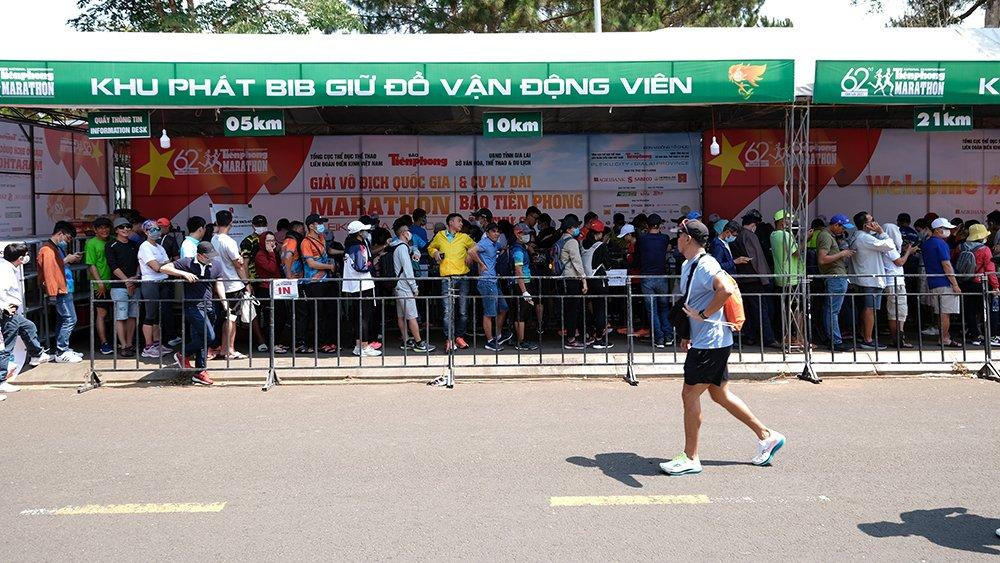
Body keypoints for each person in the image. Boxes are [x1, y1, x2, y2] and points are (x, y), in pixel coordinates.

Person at [659, 219, 785, 476]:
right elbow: (691, 300)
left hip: (711, 344)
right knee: (720, 395)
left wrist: (704, 315)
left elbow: (725, 289)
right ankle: (766, 436)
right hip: (710, 341)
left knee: (689, 395)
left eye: (679, 235)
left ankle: (691, 457)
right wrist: (687, 332)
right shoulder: (688, 264)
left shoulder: (706, 264)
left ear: (688, 239)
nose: (676, 239)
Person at [160, 241, 225, 386]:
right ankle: (183, 354)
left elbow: (219, 283)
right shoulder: (187, 262)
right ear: (199, 255)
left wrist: (224, 301)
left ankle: (200, 372)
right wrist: (184, 273)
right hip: (193, 305)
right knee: (209, 336)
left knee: (202, 338)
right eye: (207, 257)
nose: (211, 259)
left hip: (209, 305)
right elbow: (163, 268)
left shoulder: (216, 264)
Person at [0, 243, 51, 394]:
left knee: (29, 327)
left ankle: (36, 354)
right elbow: (1, 291)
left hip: (13, 313)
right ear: (20, 258)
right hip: (8, 313)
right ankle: (1, 381)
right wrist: (4, 307)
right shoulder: (5, 271)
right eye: (26, 255)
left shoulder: (8, 268)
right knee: (7, 347)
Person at [428, 213, 476, 351]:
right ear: (451, 222)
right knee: (447, 311)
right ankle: (449, 339)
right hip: (447, 277)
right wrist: (435, 253)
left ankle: (459, 337)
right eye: (459, 221)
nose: (461, 224)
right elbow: (431, 248)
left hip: (463, 277)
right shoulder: (440, 235)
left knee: (463, 311)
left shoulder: (464, 237)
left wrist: (470, 254)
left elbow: (476, 246)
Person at [37, 221, 84, 363]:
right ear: (60, 233)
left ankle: (62, 349)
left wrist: (68, 259)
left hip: (63, 288)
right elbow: (49, 272)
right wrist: (52, 294)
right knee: (70, 319)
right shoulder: (48, 249)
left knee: (63, 319)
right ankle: (62, 351)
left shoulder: (54, 248)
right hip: (59, 290)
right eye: (68, 238)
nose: (68, 241)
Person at [850, 211, 896, 350]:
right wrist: (881, 232)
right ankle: (868, 339)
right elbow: (890, 246)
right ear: (866, 225)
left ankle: (864, 335)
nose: (875, 222)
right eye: (872, 220)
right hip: (871, 279)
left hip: (864, 278)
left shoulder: (856, 236)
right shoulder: (865, 238)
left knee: (866, 308)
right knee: (870, 309)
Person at [730, 213, 777, 349]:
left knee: (749, 311)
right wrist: (765, 278)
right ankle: (768, 339)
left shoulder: (739, 236)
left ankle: (750, 336)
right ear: (753, 225)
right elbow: (757, 259)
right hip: (755, 279)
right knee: (761, 310)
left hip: (743, 279)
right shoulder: (750, 236)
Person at [212, 209, 250, 360]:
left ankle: (224, 348)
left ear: (216, 222)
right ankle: (230, 350)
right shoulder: (229, 242)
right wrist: (246, 283)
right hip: (233, 284)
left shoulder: (214, 239)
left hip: (219, 284)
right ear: (231, 223)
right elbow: (238, 266)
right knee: (231, 318)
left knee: (227, 317)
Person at [390, 222, 434, 353]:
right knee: (412, 316)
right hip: (405, 286)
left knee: (401, 315)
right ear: (404, 234)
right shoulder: (402, 248)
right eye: (408, 231)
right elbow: (408, 270)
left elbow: (412, 250)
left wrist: (415, 251)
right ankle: (419, 343)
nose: (410, 234)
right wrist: (414, 287)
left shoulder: (396, 246)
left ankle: (406, 340)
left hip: (397, 285)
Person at [816, 214, 856, 351]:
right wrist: (842, 254)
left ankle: (833, 339)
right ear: (836, 225)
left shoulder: (827, 236)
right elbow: (822, 259)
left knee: (831, 310)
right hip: (835, 277)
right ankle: (835, 341)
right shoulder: (826, 236)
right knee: (833, 311)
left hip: (835, 277)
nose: (843, 231)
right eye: (842, 228)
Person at [300, 214, 338, 354]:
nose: (322, 225)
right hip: (313, 283)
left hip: (326, 281)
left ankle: (328, 342)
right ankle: (318, 343)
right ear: (311, 226)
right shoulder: (305, 242)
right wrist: (329, 267)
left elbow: (328, 252)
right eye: (319, 223)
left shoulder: (321, 237)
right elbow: (311, 263)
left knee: (328, 313)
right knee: (317, 314)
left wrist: (344, 251)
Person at [921, 218, 962, 347]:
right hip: (945, 282)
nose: (949, 231)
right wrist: (955, 284)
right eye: (946, 228)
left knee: (940, 312)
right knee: (945, 313)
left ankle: (945, 336)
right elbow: (946, 265)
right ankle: (944, 338)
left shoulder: (927, 243)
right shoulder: (941, 244)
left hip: (933, 282)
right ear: (938, 230)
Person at [469, 223, 510, 352]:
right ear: (487, 233)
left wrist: (504, 249)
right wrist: (481, 264)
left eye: (498, 231)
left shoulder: (495, 244)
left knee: (503, 308)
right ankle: (490, 341)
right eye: (493, 231)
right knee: (489, 313)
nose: (496, 233)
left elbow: (503, 247)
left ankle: (498, 336)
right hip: (486, 281)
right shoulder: (485, 242)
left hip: (494, 281)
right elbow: (471, 251)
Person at [955, 222, 997, 346]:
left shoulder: (960, 247)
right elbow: (990, 270)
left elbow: (955, 262)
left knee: (969, 310)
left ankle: (975, 336)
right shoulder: (985, 250)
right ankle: (990, 336)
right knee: (986, 310)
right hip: (980, 284)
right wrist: (996, 286)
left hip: (965, 283)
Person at [342, 220, 380, 357]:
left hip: (355, 285)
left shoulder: (350, 245)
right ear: (359, 233)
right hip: (363, 284)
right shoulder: (358, 247)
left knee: (359, 316)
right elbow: (361, 266)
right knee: (364, 317)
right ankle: (364, 346)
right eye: (364, 230)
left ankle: (359, 346)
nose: (366, 233)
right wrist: (372, 263)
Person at [634, 213, 673, 348]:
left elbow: (637, 257)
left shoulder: (642, 239)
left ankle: (659, 339)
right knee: (664, 308)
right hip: (662, 277)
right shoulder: (665, 238)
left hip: (647, 277)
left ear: (647, 225)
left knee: (652, 310)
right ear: (660, 225)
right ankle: (668, 336)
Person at [137, 219, 173, 359]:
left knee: (158, 315)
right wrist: (163, 264)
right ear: (145, 232)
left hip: (162, 281)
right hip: (150, 283)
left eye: (157, 229)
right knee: (150, 315)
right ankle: (148, 346)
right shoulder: (145, 247)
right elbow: (156, 267)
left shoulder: (160, 247)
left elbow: (168, 263)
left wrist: (163, 264)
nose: (156, 232)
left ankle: (157, 344)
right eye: (152, 229)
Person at [106, 217, 141, 357]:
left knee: (133, 316)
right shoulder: (111, 245)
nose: (125, 229)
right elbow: (113, 266)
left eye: (128, 226)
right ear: (116, 230)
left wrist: (135, 278)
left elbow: (139, 262)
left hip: (135, 285)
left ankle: (130, 343)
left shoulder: (135, 244)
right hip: (118, 286)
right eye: (122, 227)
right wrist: (126, 281)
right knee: (121, 317)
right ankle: (123, 345)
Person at [253, 231, 289, 354]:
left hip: (277, 288)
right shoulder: (260, 255)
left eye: (273, 240)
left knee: (281, 316)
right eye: (268, 241)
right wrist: (271, 253)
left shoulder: (274, 252)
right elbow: (271, 268)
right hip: (266, 289)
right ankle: (271, 344)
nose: (271, 243)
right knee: (271, 318)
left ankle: (277, 341)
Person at [882, 224, 917, 349]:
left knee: (895, 313)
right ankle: (898, 339)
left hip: (892, 282)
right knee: (899, 312)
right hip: (895, 283)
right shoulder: (889, 246)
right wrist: (908, 252)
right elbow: (900, 262)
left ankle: (897, 339)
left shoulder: (887, 245)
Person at [557, 215, 589, 349]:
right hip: (571, 278)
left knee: (569, 309)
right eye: (575, 227)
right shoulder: (572, 242)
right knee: (573, 310)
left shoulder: (561, 240)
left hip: (563, 279)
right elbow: (577, 262)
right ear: (569, 229)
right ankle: (571, 339)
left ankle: (573, 335)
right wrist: (584, 280)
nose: (577, 229)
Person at [281, 221, 311, 354]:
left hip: (293, 282)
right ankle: (299, 343)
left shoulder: (287, 240)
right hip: (295, 283)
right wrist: (289, 276)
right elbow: (288, 256)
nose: (304, 231)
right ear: (297, 228)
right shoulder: (292, 240)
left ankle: (288, 341)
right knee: (300, 313)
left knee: (293, 313)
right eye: (302, 229)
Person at [582, 220, 613, 349]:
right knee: (600, 310)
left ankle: (590, 334)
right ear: (600, 233)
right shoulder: (601, 246)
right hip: (599, 280)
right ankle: (599, 339)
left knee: (588, 309)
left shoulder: (582, 244)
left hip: (587, 281)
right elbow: (608, 265)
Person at [85, 217, 114, 355]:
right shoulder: (91, 243)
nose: (104, 230)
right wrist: (99, 282)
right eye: (101, 228)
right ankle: (104, 343)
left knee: (116, 313)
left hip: (114, 282)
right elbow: (91, 265)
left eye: (106, 227)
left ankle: (116, 340)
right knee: (102, 313)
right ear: (95, 230)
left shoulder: (113, 239)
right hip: (99, 285)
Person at [509, 224, 540, 352]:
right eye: (525, 233)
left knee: (523, 313)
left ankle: (521, 339)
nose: (528, 236)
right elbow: (518, 271)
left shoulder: (521, 247)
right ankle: (520, 342)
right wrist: (524, 291)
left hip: (525, 282)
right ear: (518, 234)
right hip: (521, 284)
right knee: (520, 314)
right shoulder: (517, 250)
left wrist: (531, 251)